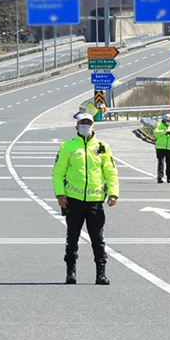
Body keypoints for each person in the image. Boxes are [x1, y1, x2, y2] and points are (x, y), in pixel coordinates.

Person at [53, 113, 119, 285]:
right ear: (76, 126)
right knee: (72, 237)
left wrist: (113, 193)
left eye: (88, 123)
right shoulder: (67, 146)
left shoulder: (102, 147)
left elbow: (110, 172)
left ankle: (101, 274)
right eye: (82, 123)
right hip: (73, 201)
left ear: (94, 126)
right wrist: (60, 194)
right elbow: (58, 173)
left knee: (98, 239)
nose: (85, 126)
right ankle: (71, 272)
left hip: (95, 201)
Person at [154, 113, 170, 183]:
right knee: (161, 163)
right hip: (160, 147)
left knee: (169, 164)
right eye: (167, 120)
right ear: (164, 120)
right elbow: (155, 133)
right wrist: (165, 132)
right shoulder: (159, 125)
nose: (168, 122)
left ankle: (169, 177)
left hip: (169, 148)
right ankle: (160, 177)